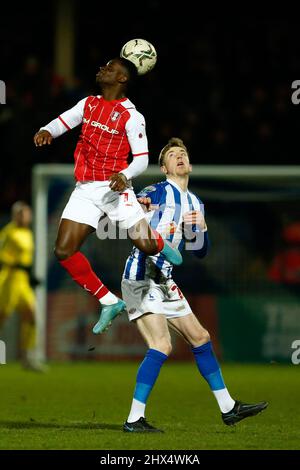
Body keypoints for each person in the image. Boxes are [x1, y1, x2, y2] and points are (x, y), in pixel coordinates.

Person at [121, 137, 268, 433]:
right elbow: (133, 209)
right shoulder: (158, 191)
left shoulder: (196, 203)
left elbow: (200, 251)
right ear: (164, 167)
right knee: (161, 345)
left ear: (190, 164)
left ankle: (228, 408)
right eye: (173, 154)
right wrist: (140, 203)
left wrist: (199, 229)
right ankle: (133, 419)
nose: (179, 156)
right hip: (141, 276)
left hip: (165, 280)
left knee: (200, 337)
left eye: (183, 153)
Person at [33, 57, 182, 334]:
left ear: (122, 79)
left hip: (116, 188)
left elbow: (141, 159)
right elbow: (64, 121)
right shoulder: (88, 104)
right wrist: (47, 130)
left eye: (110, 68)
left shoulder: (132, 116)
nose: (102, 69)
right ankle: (109, 300)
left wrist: (124, 176)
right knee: (63, 251)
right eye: (103, 66)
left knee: (146, 245)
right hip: (85, 189)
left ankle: (160, 243)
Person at [0, 201, 43, 371]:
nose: (27, 217)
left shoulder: (27, 233)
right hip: (9, 279)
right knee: (2, 317)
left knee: (31, 316)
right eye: (23, 214)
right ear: (16, 215)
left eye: (27, 214)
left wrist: (29, 273)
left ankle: (27, 358)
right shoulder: (8, 232)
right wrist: (17, 265)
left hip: (23, 281)